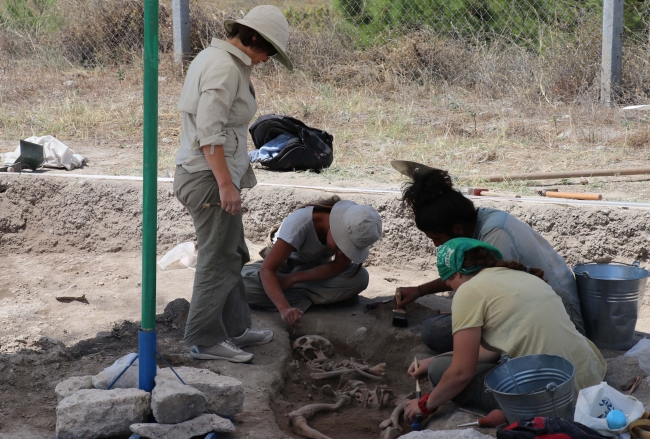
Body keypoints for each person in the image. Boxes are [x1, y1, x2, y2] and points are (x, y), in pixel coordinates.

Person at [172, 5, 293, 363]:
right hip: (209, 179)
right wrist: (226, 184)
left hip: (212, 176)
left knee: (233, 253)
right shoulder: (224, 67)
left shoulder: (220, 60)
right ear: (252, 37)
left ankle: (236, 329)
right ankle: (204, 340)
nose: (268, 59)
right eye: (268, 50)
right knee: (218, 259)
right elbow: (210, 134)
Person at [403, 238, 606, 423]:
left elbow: (461, 373)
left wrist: (425, 405)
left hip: (551, 398)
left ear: (456, 274)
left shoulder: (469, 291)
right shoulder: (523, 277)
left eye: (449, 283)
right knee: (438, 363)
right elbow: (491, 352)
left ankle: (511, 411)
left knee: (440, 370)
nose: (453, 289)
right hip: (588, 377)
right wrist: (429, 361)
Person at [394, 167, 584, 353]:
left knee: (434, 331)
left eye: (438, 239)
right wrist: (419, 291)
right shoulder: (476, 221)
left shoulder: (496, 234)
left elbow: (490, 296)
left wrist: (465, 314)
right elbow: (467, 278)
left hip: (558, 317)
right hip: (528, 309)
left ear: (457, 229)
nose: (437, 245)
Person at [243, 196, 382, 327]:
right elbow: (267, 270)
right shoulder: (299, 223)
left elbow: (339, 265)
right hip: (284, 267)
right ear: (337, 227)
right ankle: (326, 298)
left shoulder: (356, 225)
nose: (342, 252)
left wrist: (293, 279)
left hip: (312, 271)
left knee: (360, 277)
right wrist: (284, 308)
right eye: (343, 245)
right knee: (242, 286)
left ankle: (298, 297)